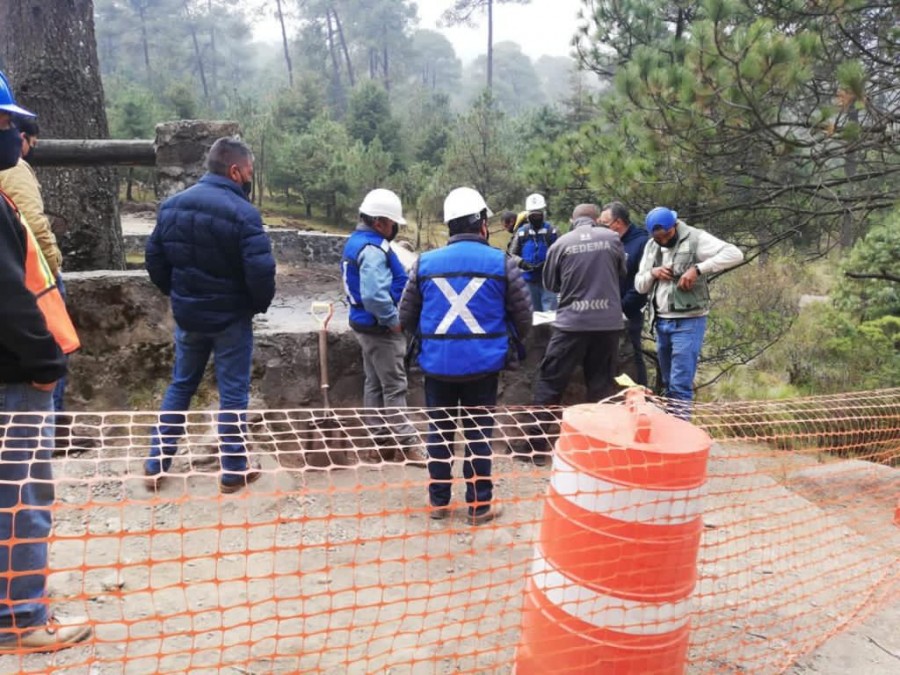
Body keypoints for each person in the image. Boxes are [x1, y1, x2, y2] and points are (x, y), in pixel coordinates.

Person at [0, 71, 91, 653]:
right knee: (22, 495)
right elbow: (11, 296)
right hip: (15, 375)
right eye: (8, 123)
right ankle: (23, 619)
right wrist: (44, 365)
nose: (15, 133)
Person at [144, 137, 276, 493]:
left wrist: (178, 293)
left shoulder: (171, 206)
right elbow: (261, 275)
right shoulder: (245, 214)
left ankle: (156, 463)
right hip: (230, 319)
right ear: (235, 171)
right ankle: (233, 469)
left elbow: (154, 260)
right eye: (249, 170)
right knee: (233, 393)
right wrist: (254, 305)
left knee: (181, 384)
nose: (251, 177)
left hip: (189, 317)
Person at [399, 187, 531, 525]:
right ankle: (478, 506)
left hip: (437, 368)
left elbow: (405, 317)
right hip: (483, 368)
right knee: (478, 435)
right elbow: (524, 317)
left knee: (439, 435)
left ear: (450, 226)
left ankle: (438, 503)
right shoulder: (502, 263)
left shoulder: (424, 263)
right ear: (482, 223)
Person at [518, 203, 626, 466]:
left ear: (572, 220)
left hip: (571, 325)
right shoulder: (612, 239)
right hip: (608, 325)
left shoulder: (561, 244)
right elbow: (621, 274)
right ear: (597, 218)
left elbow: (550, 285)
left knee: (550, 382)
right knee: (600, 386)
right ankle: (595, 449)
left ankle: (535, 447)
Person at [0, 115, 77, 449]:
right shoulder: (16, 170)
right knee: (25, 480)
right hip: (16, 368)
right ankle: (55, 431)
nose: (14, 137)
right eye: (5, 125)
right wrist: (53, 263)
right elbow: (32, 222)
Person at [634, 206, 744, 417]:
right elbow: (639, 285)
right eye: (658, 237)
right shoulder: (650, 246)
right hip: (661, 321)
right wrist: (653, 273)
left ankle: (680, 432)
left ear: (674, 226)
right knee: (667, 381)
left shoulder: (696, 238)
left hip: (688, 322)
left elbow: (735, 253)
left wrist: (698, 269)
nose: (663, 241)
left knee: (680, 384)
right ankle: (670, 426)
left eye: (667, 235)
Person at [341, 188, 423, 463]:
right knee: (394, 385)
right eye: (392, 223)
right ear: (379, 223)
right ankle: (408, 444)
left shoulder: (358, 241)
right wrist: (394, 321)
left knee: (374, 383)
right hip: (380, 329)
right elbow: (374, 295)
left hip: (365, 326)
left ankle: (380, 444)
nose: (394, 228)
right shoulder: (373, 250)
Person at [600, 201, 649, 386]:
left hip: (630, 311)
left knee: (632, 355)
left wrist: (623, 306)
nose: (601, 228)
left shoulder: (641, 242)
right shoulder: (608, 241)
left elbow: (642, 282)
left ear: (618, 222)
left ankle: (642, 395)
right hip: (606, 310)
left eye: (605, 223)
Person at [510, 193, 559, 311]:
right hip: (528, 280)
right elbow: (511, 254)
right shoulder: (522, 233)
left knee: (550, 314)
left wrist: (548, 263)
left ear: (543, 214)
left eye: (538, 215)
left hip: (548, 280)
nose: (536, 218)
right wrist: (522, 263)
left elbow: (560, 252)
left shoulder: (552, 231)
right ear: (528, 215)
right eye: (533, 215)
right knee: (533, 314)